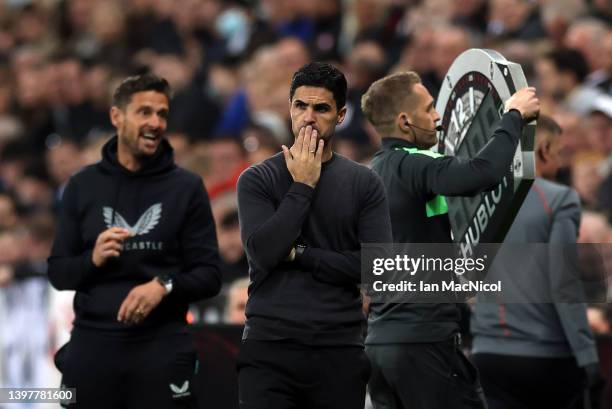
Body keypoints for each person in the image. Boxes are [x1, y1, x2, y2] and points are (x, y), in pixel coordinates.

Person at [361, 71, 540, 409]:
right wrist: (512, 115)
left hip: (380, 347)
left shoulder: (374, 172)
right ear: (404, 121)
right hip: (422, 344)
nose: (437, 116)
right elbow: (481, 174)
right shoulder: (415, 164)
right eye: (429, 109)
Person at [47, 73, 222, 409]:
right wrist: (92, 260)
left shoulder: (186, 188)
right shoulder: (83, 186)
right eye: (144, 112)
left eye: (162, 114)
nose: (155, 123)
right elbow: (59, 272)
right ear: (117, 116)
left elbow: (210, 275)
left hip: (162, 345)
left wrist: (164, 285)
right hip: (94, 344)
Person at [236, 62, 392, 409]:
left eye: (321, 108)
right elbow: (263, 253)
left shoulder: (364, 183)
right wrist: (303, 185)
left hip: (338, 348)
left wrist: (303, 255)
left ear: (340, 116)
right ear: (289, 108)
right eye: (300, 106)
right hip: (270, 345)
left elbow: (378, 268)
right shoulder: (257, 179)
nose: (308, 117)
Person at [470, 115, 604, 409]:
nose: (560, 164)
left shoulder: (475, 197)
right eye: (558, 153)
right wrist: (588, 356)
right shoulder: (559, 198)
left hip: (487, 354)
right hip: (544, 357)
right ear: (543, 149)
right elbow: (563, 282)